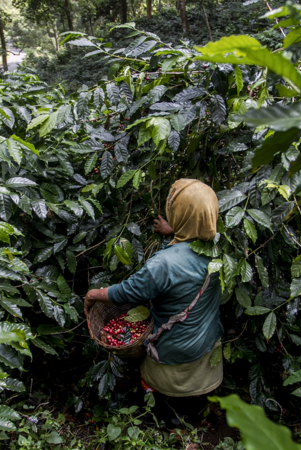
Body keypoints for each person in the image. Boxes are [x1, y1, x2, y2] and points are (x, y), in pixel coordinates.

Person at [84, 179, 223, 425]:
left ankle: (161, 409)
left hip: (174, 351)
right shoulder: (220, 247)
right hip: (208, 343)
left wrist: (94, 294)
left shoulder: (163, 263)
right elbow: (188, 259)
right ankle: (198, 404)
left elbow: (129, 291)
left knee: (149, 379)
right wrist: (175, 233)